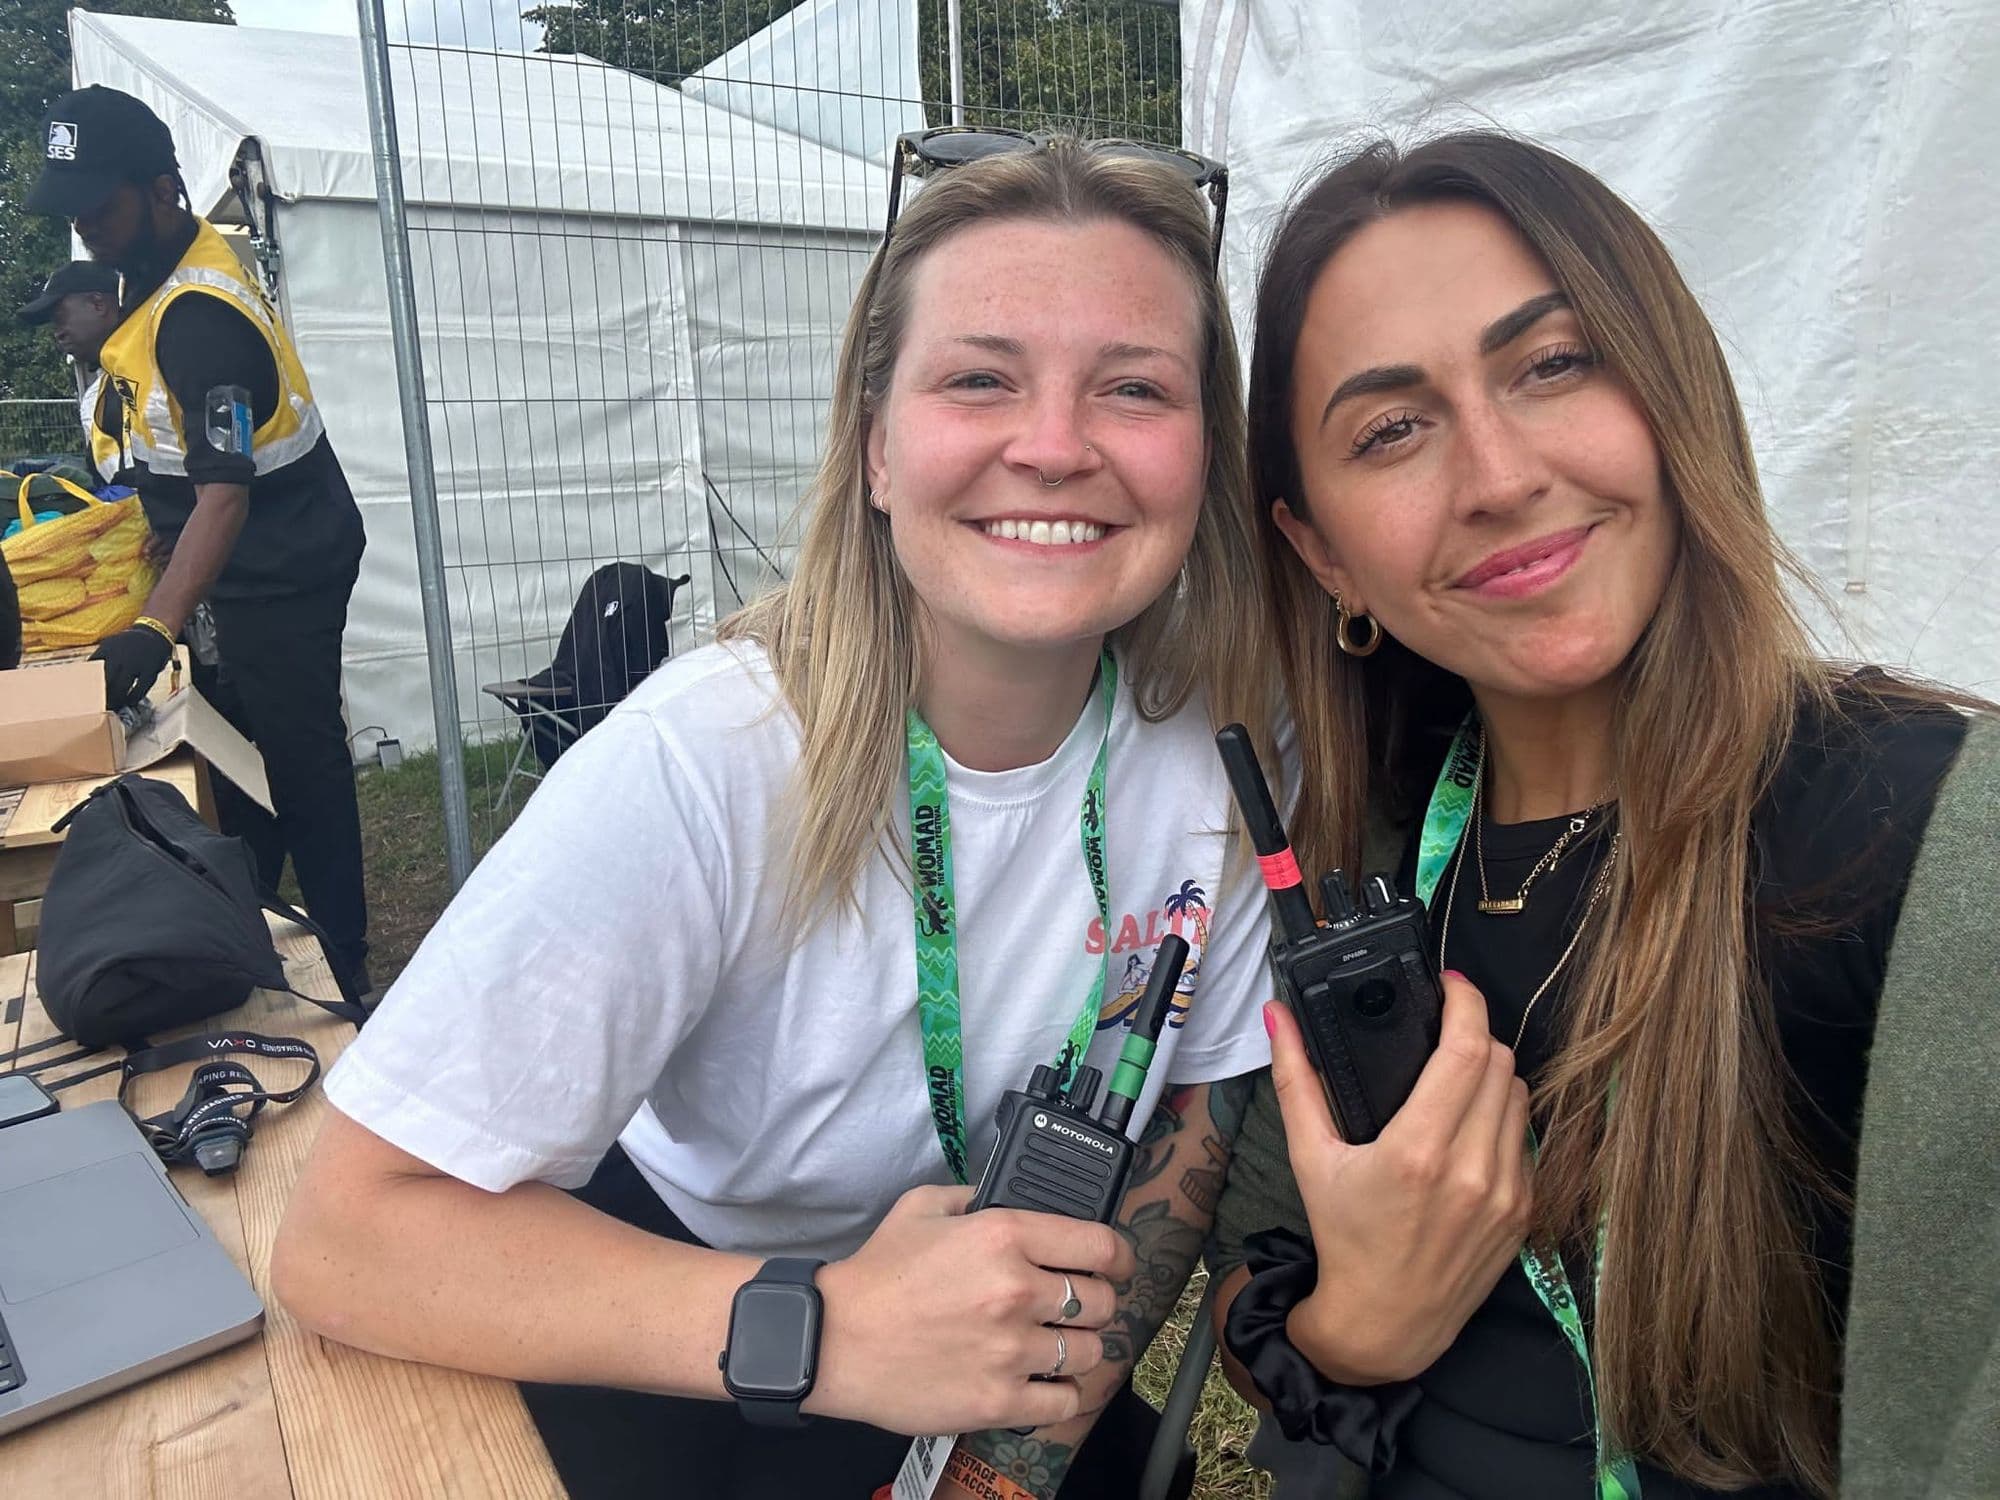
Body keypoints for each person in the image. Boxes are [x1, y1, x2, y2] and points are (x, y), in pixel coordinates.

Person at [272, 134, 1273, 1500]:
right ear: (873, 449)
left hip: (991, 1342)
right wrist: (828, 1330)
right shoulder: (707, 759)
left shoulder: (1229, 761)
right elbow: (343, 1239)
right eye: (980, 378)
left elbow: (1190, 1134)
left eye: (1135, 388)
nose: (1054, 446)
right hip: (677, 1309)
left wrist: (1008, 1460)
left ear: (1205, 455)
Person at [1205, 132, 1999, 1500]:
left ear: (1671, 387)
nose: (1500, 474)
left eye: (1551, 364)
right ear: (1324, 553)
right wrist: (1361, 1322)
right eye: (1392, 430)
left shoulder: (1929, 836)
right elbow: (1255, 1275)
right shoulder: (1362, 866)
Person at [26, 86, 371, 995]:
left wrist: (155, 628)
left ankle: (346, 969)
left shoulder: (199, 320)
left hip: (281, 566)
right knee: (236, 760)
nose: (87, 226)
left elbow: (223, 494)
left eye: (101, 204)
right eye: (74, 209)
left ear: (163, 187)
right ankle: (249, 919)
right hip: (237, 567)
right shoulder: (151, 276)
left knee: (300, 765)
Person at [16, 259, 127, 486]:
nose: (58, 334)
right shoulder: (100, 394)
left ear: (98, 304)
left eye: (60, 318)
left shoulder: (159, 369)